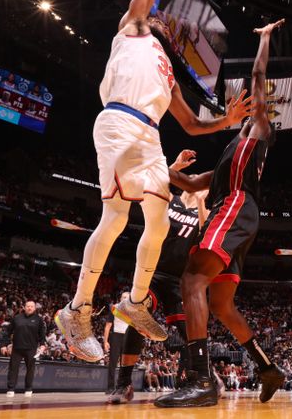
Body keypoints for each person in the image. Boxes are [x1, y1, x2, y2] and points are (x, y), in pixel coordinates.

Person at [55, 0, 253, 363]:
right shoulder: (133, 32)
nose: (162, 21)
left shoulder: (168, 74)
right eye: (160, 18)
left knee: (159, 224)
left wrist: (228, 120)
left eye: (165, 21)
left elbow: (192, 125)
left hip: (150, 137)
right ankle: (77, 309)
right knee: (116, 216)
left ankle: (135, 300)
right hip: (119, 121)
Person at [154, 19, 287, 408]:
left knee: (192, 280)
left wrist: (263, 39)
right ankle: (267, 368)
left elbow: (259, 75)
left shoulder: (258, 131)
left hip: (234, 208)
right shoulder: (234, 153)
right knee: (220, 304)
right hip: (235, 212)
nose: (248, 113)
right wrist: (156, 167)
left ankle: (200, 381)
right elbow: (194, 185)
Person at [107, 150, 206, 404]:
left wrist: (203, 196)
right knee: (138, 318)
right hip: (151, 272)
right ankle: (123, 383)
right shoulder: (170, 200)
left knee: (191, 330)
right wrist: (175, 166)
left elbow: (205, 233)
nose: (194, 182)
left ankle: (205, 377)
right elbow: (155, 181)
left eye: (199, 182)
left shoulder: (202, 214)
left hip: (179, 281)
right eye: (190, 179)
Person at [6, 300, 46, 397]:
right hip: (17, 348)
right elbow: (8, 331)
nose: (29, 308)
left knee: (30, 369)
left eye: (31, 306)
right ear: (24, 307)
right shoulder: (17, 318)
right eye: (28, 306)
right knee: (13, 369)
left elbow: (42, 334)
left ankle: (28, 389)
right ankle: (11, 389)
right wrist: (6, 344)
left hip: (31, 348)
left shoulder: (39, 319)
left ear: (34, 308)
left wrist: (42, 344)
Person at [104, 292, 130, 394]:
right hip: (116, 336)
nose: (125, 299)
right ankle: (110, 387)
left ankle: (122, 387)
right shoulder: (114, 308)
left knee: (125, 365)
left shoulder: (132, 310)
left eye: (127, 298)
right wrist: (105, 341)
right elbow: (108, 326)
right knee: (113, 363)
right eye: (123, 297)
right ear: (120, 298)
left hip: (127, 337)